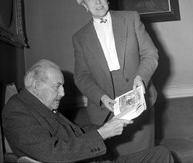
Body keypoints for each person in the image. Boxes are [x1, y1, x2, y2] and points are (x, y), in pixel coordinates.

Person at [2, 59, 174, 163]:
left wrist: (111, 124)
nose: (63, 93)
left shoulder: (39, 105)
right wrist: (101, 134)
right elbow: (51, 153)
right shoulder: (16, 111)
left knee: (161, 154)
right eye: (57, 87)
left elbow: (77, 133)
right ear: (36, 85)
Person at [72, 0, 158, 157]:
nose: (97, 1)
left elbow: (150, 54)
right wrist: (101, 97)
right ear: (84, 6)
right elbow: (82, 76)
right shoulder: (80, 38)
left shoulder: (131, 18)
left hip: (139, 99)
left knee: (145, 157)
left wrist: (140, 77)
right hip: (105, 110)